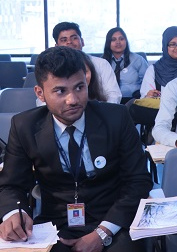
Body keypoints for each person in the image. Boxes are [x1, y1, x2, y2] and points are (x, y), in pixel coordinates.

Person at [0, 46, 153, 251]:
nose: (72, 99)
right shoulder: (24, 126)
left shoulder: (116, 118)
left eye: (79, 87)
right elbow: (11, 185)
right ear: (40, 93)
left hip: (111, 220)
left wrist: (103, 232)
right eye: (60, 91)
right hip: (57, 225)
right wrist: (13, 214)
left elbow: (138, 181)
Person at [52, 22, 122, 104]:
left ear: (82, 42)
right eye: (64, 40)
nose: (69, 42)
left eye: (74, 38)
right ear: (56, 47)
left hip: (100, 109)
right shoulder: (52, 68)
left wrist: (104, 111)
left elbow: (114, 95)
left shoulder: (101, 64)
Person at [140, 26, 177, 98]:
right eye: (172, 44)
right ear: (165, 46)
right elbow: (145, 98)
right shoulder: (154, 70)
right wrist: (149, 95)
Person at [102, 27, 148, 101]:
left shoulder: (138, 60)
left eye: (121, 39)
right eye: (113, 39)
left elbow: (147, 83)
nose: (118, 42)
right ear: (108, 43)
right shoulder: (102, 62)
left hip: (134, 100)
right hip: (108, 101)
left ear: (126, 41)